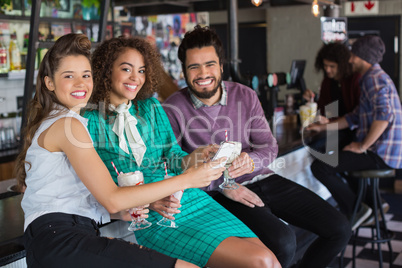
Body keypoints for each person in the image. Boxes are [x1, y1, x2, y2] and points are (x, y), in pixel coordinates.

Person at [15, 33, 226, 268]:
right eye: (69, 76)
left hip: (63, 238)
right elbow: (113, 198)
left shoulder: (68, 122)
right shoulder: (68, 125)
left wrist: (118, 214)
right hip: (61, 239)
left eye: (86, 75)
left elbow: (73, 198)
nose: (81, 83)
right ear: (49, 82)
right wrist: (187, 180)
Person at [83, 36, 280, 268]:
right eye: (126, 69)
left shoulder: (151, 107)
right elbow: (98, 191)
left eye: (142, 70)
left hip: (189, 198)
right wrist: (149, 201)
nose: (136, 78)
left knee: (271, 262)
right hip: (157, 216)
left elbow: (174, 159)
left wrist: (198, 156)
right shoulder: (88, 121)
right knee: (261, 262)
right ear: (106, 70)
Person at [163, 25, 351, 268]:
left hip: (261, 178)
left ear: (221, 66)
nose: (203, 73)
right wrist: (222, 183)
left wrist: (252, 161)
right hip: (216, 194)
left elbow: (268, 147)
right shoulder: (171, 108)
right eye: (193, 66)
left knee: (339, 229)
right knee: (283, 242)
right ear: (184, 71)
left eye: (209, 64)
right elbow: (171, 165)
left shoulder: (245, 95)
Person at [308, 35, 402, 230]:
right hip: (380, 150)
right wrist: (322, 127)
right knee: (334, 161)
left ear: (363, 57)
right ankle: (366, 206)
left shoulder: (373, 80)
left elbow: (384, 117)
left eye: (354, 55)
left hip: (380, 152)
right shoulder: (370, 78)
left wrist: (362, 146)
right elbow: (353, 117)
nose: (350, 59)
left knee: (321, 167)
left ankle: (357, 210)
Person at [303, 42, 361, 152]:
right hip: (334, 129)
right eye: (325, 66)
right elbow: (322, 108)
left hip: (353, 132)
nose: (327, 70)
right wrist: (312, 102)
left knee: (316, 147)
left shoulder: (355, 79)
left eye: (332, 66)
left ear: (343, 65)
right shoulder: (327, 82)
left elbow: (356, 115)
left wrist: (328, 121)